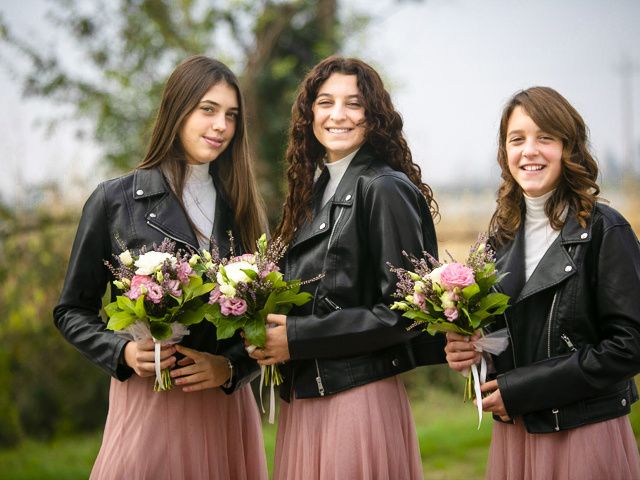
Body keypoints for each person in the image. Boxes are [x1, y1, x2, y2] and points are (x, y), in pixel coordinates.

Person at [54, 55, 268, 480]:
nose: (221, 126)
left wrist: (229, 368)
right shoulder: (113, 200)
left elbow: (261, 321)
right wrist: (123, 351)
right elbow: (71, 311)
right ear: (177, 109)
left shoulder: (240, 205)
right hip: (149, 398)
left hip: (224, 404)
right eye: (208, 110)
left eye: (230, 115)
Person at [249, 56, 444, 479]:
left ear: (373, 116)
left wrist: (297, 338)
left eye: (353, 104)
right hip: (306, 397)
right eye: (325, 102)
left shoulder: (384, 187)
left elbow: (406, 314)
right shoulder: (314, 190)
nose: (337, 115)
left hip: (356, 399)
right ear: (309, 114)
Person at [445, 86, 640, 479]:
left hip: (582, 433)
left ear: (569, 149)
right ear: (505, 153)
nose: (529, 151)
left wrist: (524, 389)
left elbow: (629, 346)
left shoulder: (605, 229)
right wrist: (473, 354)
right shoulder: (497, 238)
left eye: (544, 138)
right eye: (517, 139)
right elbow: (510, 338)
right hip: (516, 435)